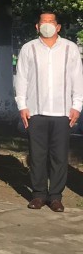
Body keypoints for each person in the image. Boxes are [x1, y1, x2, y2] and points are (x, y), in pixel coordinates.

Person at [15, 11, 83, 212]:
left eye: (51, 22)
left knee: (60, 156)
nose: (47, 25)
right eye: (43, 22)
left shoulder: (70, 49)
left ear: (58, 26)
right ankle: (38, 195)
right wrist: (22, 106)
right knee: (37, 155)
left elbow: (77, 79)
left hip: (62, 112)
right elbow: (22, 79)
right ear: (37, 26)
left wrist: (77, 106)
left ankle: (55, 197)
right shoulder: (29, 49)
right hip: (35, 111)